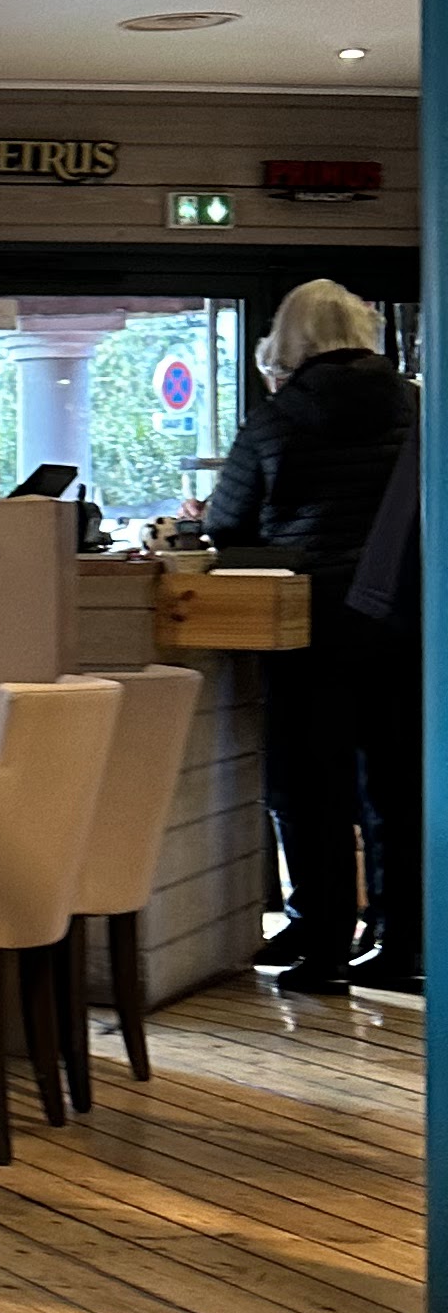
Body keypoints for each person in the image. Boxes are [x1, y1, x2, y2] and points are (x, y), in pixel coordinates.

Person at [205, 279, 419, 993]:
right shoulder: (416, 406)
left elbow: (228, 522)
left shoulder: (276, 419)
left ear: (288, 341)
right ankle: (403, 946)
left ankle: (323, 946)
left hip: (310, 624)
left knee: (308, 787)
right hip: (403, 620)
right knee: (398, 787)